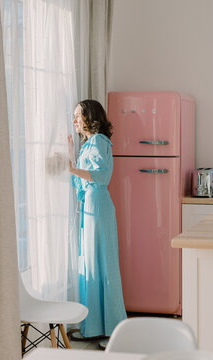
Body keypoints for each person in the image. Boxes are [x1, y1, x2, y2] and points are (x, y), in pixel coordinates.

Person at [67, 99, 127, 342]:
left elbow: (102, 176)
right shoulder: (89, 145)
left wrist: (71, 168)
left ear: (89, 118)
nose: (74, 121)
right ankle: (93, 328)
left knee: (104, 265)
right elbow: (80, 182)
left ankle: (113, 331)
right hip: (91, 206)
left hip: (99, 206)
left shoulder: (100, 141)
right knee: (92, 265)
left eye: (77, 116)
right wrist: (72, 158)